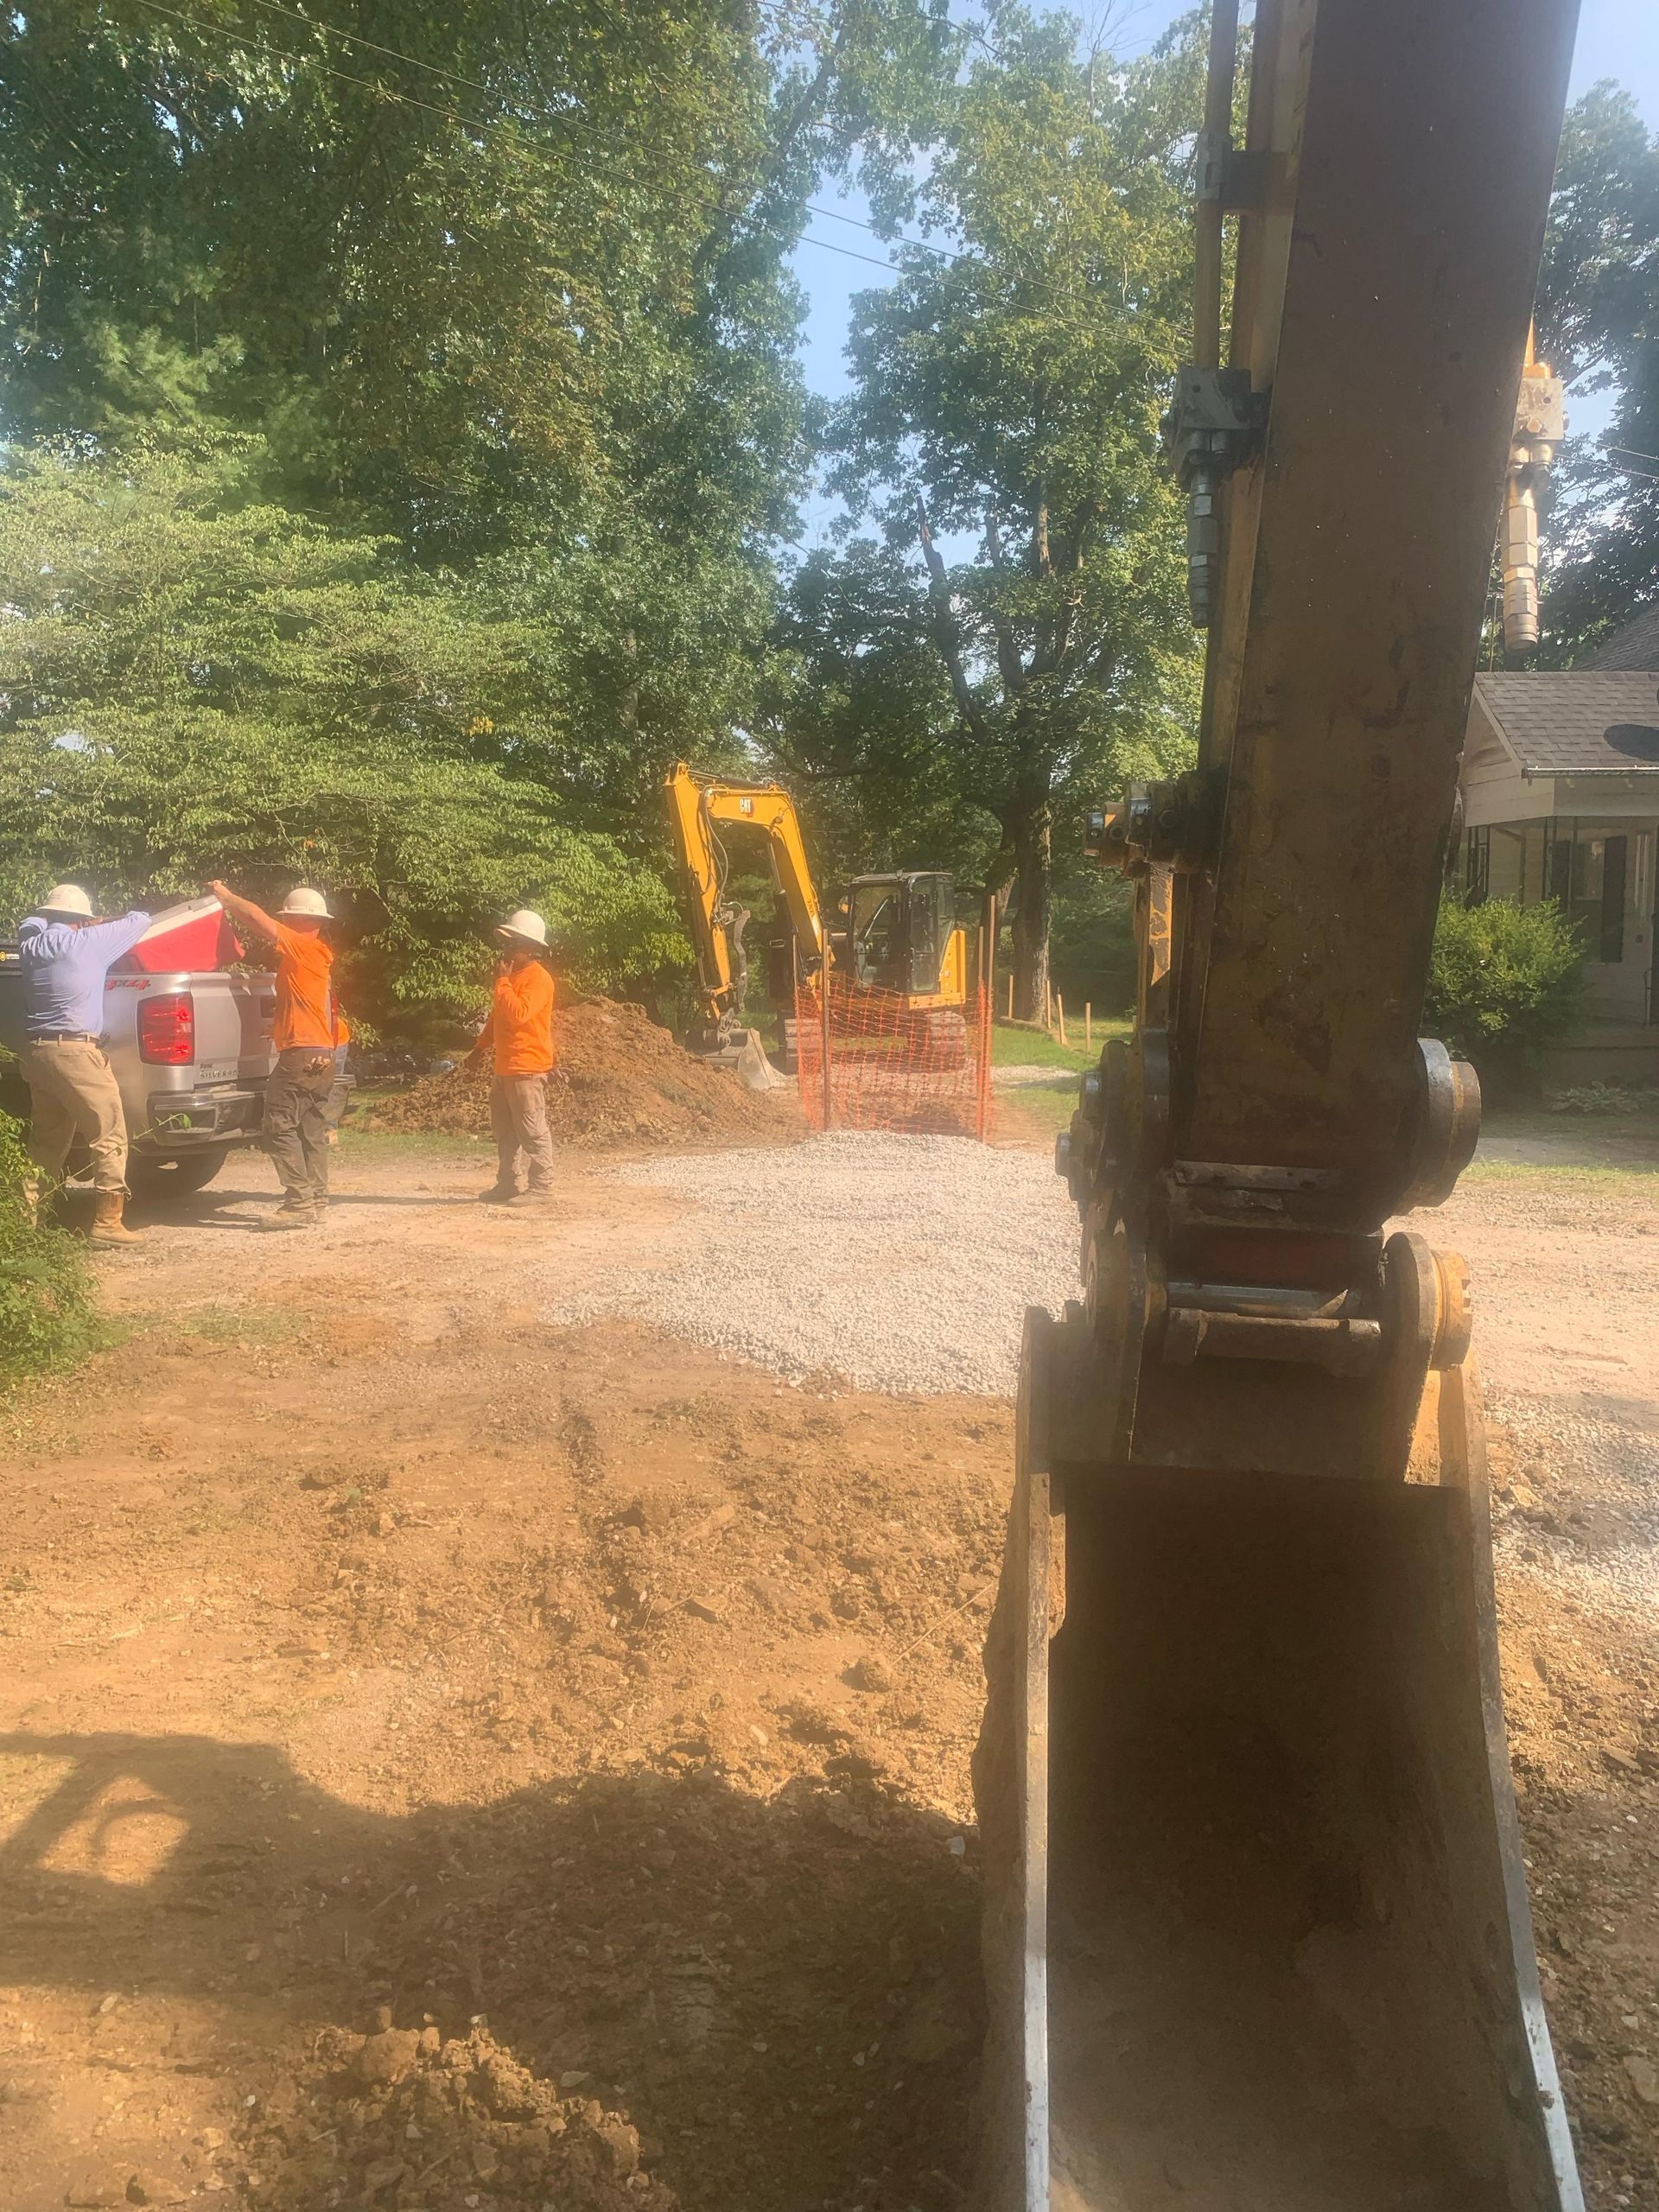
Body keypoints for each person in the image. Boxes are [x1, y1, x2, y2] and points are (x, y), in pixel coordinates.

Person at [16, 883, 152, 1246]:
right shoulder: (89, 942)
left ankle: (25, 1221)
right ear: (82, 920)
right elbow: (142, 919)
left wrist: (77, 921)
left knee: (46, 1142)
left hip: (39, 1053)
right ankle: (108, 1223)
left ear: (49, 916)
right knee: (110, 1133)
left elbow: (29, 921)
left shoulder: (31, 945)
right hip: (77, 1053)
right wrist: (103, 921)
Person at [208, 880, 340, 1230]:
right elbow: (302, 1008)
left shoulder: (301, 948)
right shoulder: (314, 957)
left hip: (301, 1055)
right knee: (311, 1129)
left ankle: (298, 1202)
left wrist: (227, 898)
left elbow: (256, 918)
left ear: (293, 919)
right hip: (321, 1052)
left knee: (278, 1125)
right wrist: (279, 1031)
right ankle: (316, 1200)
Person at [465, 909, 556, 1205]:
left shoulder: (538, 980)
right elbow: (498, 1017)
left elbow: (518, 1015)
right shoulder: (512, 978)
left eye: (513, 944)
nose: (506, 950)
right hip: (505, 1067)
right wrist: (479, 1048)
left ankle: (542, 1187)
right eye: (506, 943)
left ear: (530, 947)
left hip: (527, 1067)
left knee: (531, 1130)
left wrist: (502, 983)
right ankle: (508, 1183)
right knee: (505, 1132)